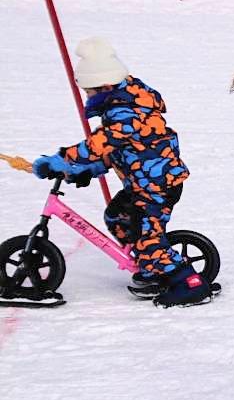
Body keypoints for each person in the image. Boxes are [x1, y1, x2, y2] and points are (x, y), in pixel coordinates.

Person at [30, 38, 211, 307]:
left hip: (157, 187)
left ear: (104, 87)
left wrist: (63, 159)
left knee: (148, 240)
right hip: (142, 184)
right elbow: (118, 151)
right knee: (117, 216)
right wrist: (88, 169)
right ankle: (151, 267)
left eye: (89, 92)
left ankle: (190, 284)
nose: (88, 98)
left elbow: (100, 144)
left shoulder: (127, 112)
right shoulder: (122, 105)